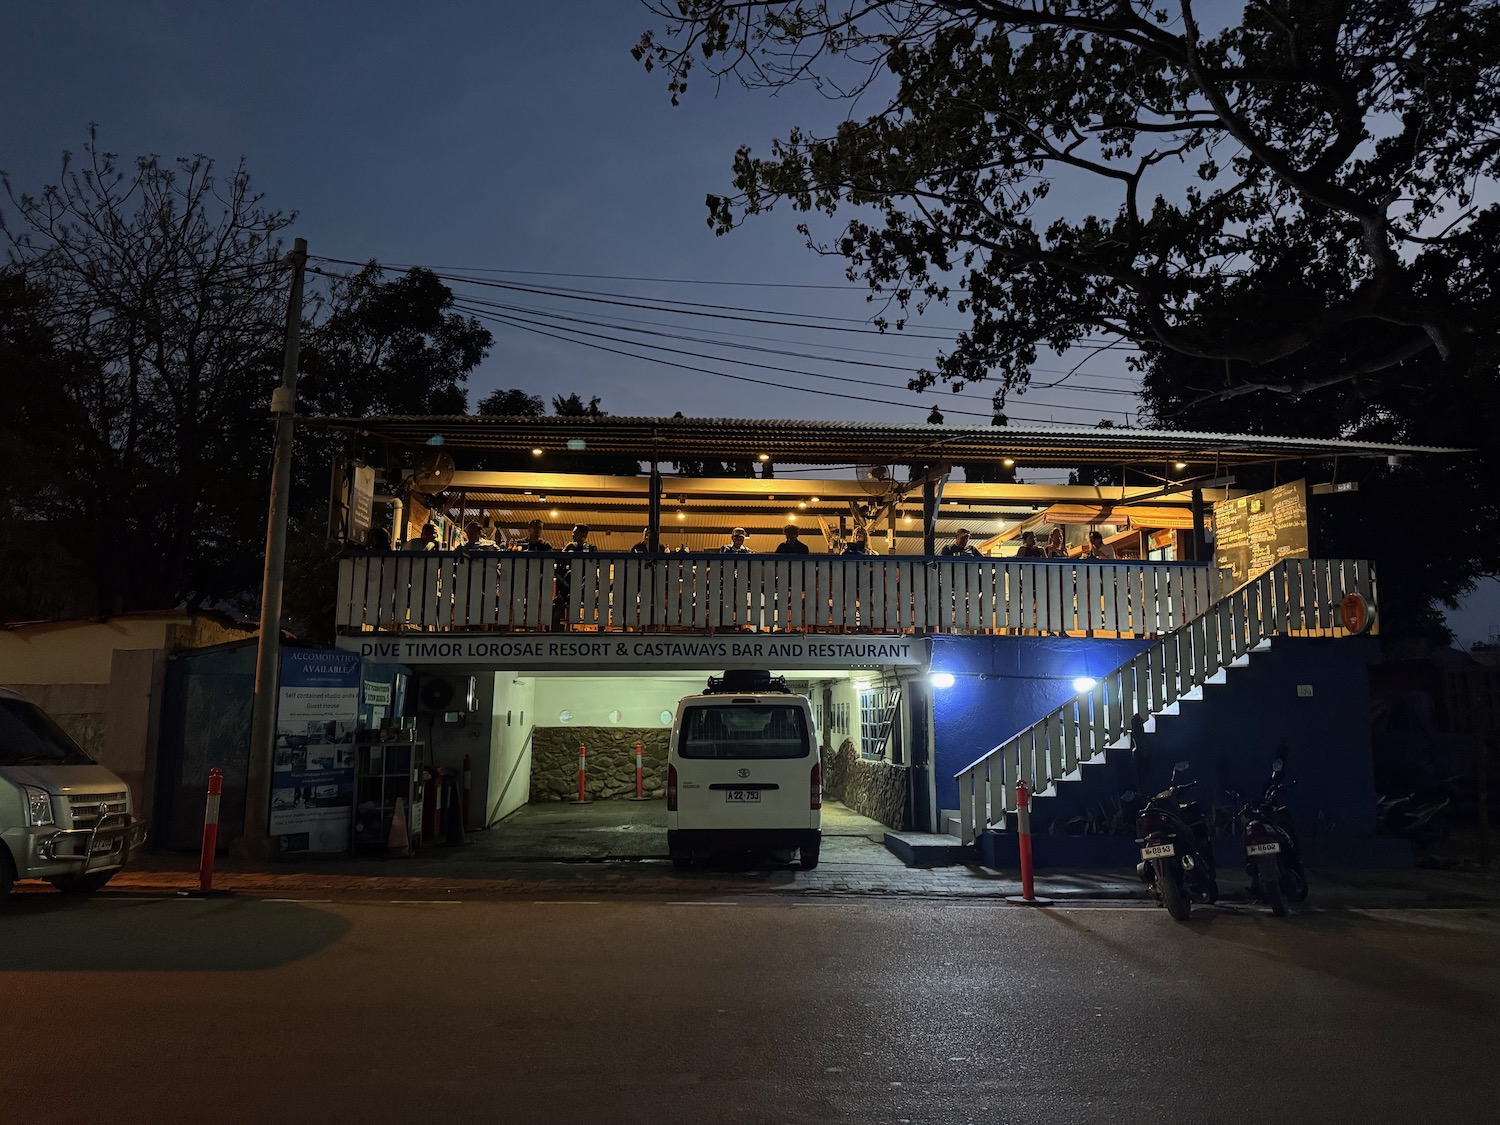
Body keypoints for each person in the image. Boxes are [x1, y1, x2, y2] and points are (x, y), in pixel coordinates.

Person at [553, 525, 597, 629]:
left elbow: (593, 565)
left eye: (575, 532)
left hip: (584, 581)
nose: (572, 534)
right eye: (573, 532)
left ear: (584, 535)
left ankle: (573, 594)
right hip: (569, 581)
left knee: (587, 578)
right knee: (567, 574)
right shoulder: (570, 546)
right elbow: (561, 562)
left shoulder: (591, 548)